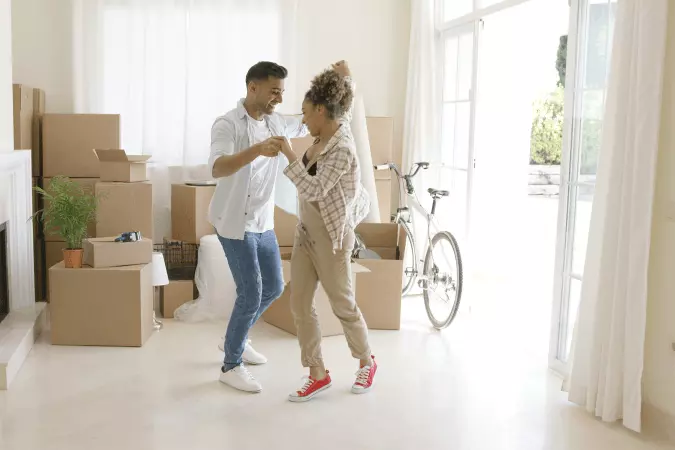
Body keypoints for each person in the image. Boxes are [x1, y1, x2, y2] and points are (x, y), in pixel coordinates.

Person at [278, 61, 377, 402]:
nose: (303, 120)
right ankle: (316, 372)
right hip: (305, 232)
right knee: (300, 304)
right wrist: (345, 75)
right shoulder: (331, 128)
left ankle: (367, 361)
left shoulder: (343, 148)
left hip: (332, 238)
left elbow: (314, 190)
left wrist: (289, 155)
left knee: (342, 303)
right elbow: (344, 106)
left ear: (321, 110)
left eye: (306, 113)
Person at [208, 61, 307, 393]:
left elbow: (305, 121)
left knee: (274, 287)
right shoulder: (227, 124)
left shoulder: (276, 121)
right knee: (250, 293)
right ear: (253, 88)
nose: (279, 98)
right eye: (273, 91)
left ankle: (235, 339)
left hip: (263, 222)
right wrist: (255, 151)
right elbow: (218, 168)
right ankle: (230, 364)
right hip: (234, 222)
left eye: (282, 91)